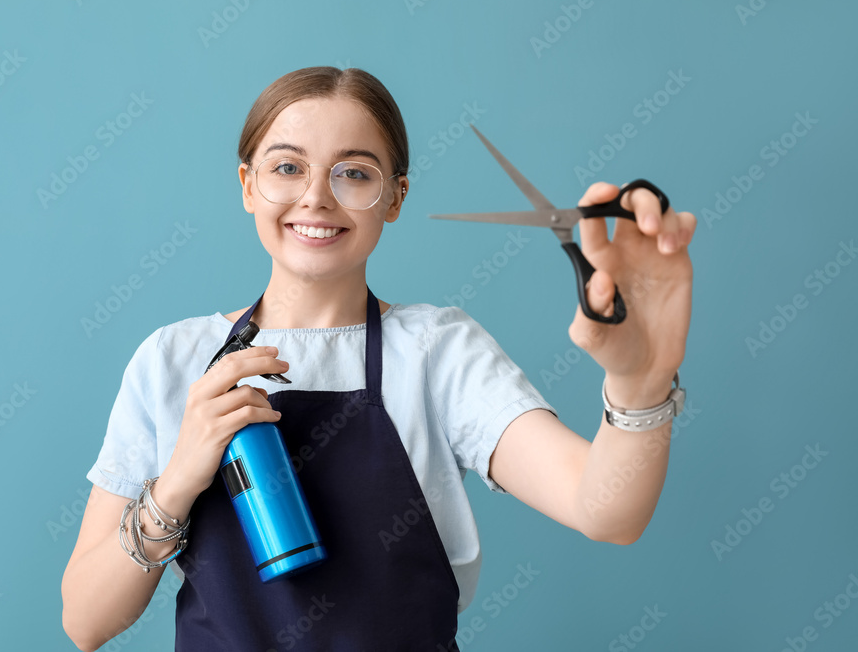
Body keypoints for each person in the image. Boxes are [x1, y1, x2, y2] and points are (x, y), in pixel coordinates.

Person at [61, 66, 696, 651]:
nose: (315, 197)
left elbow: (606, 509)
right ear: (247, 184)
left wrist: (640, 381)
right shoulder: (173, 359)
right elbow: (85, 622)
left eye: (354, 173)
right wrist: (176, 482)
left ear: (394, 198)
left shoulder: (439, 352)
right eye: (287, 167)